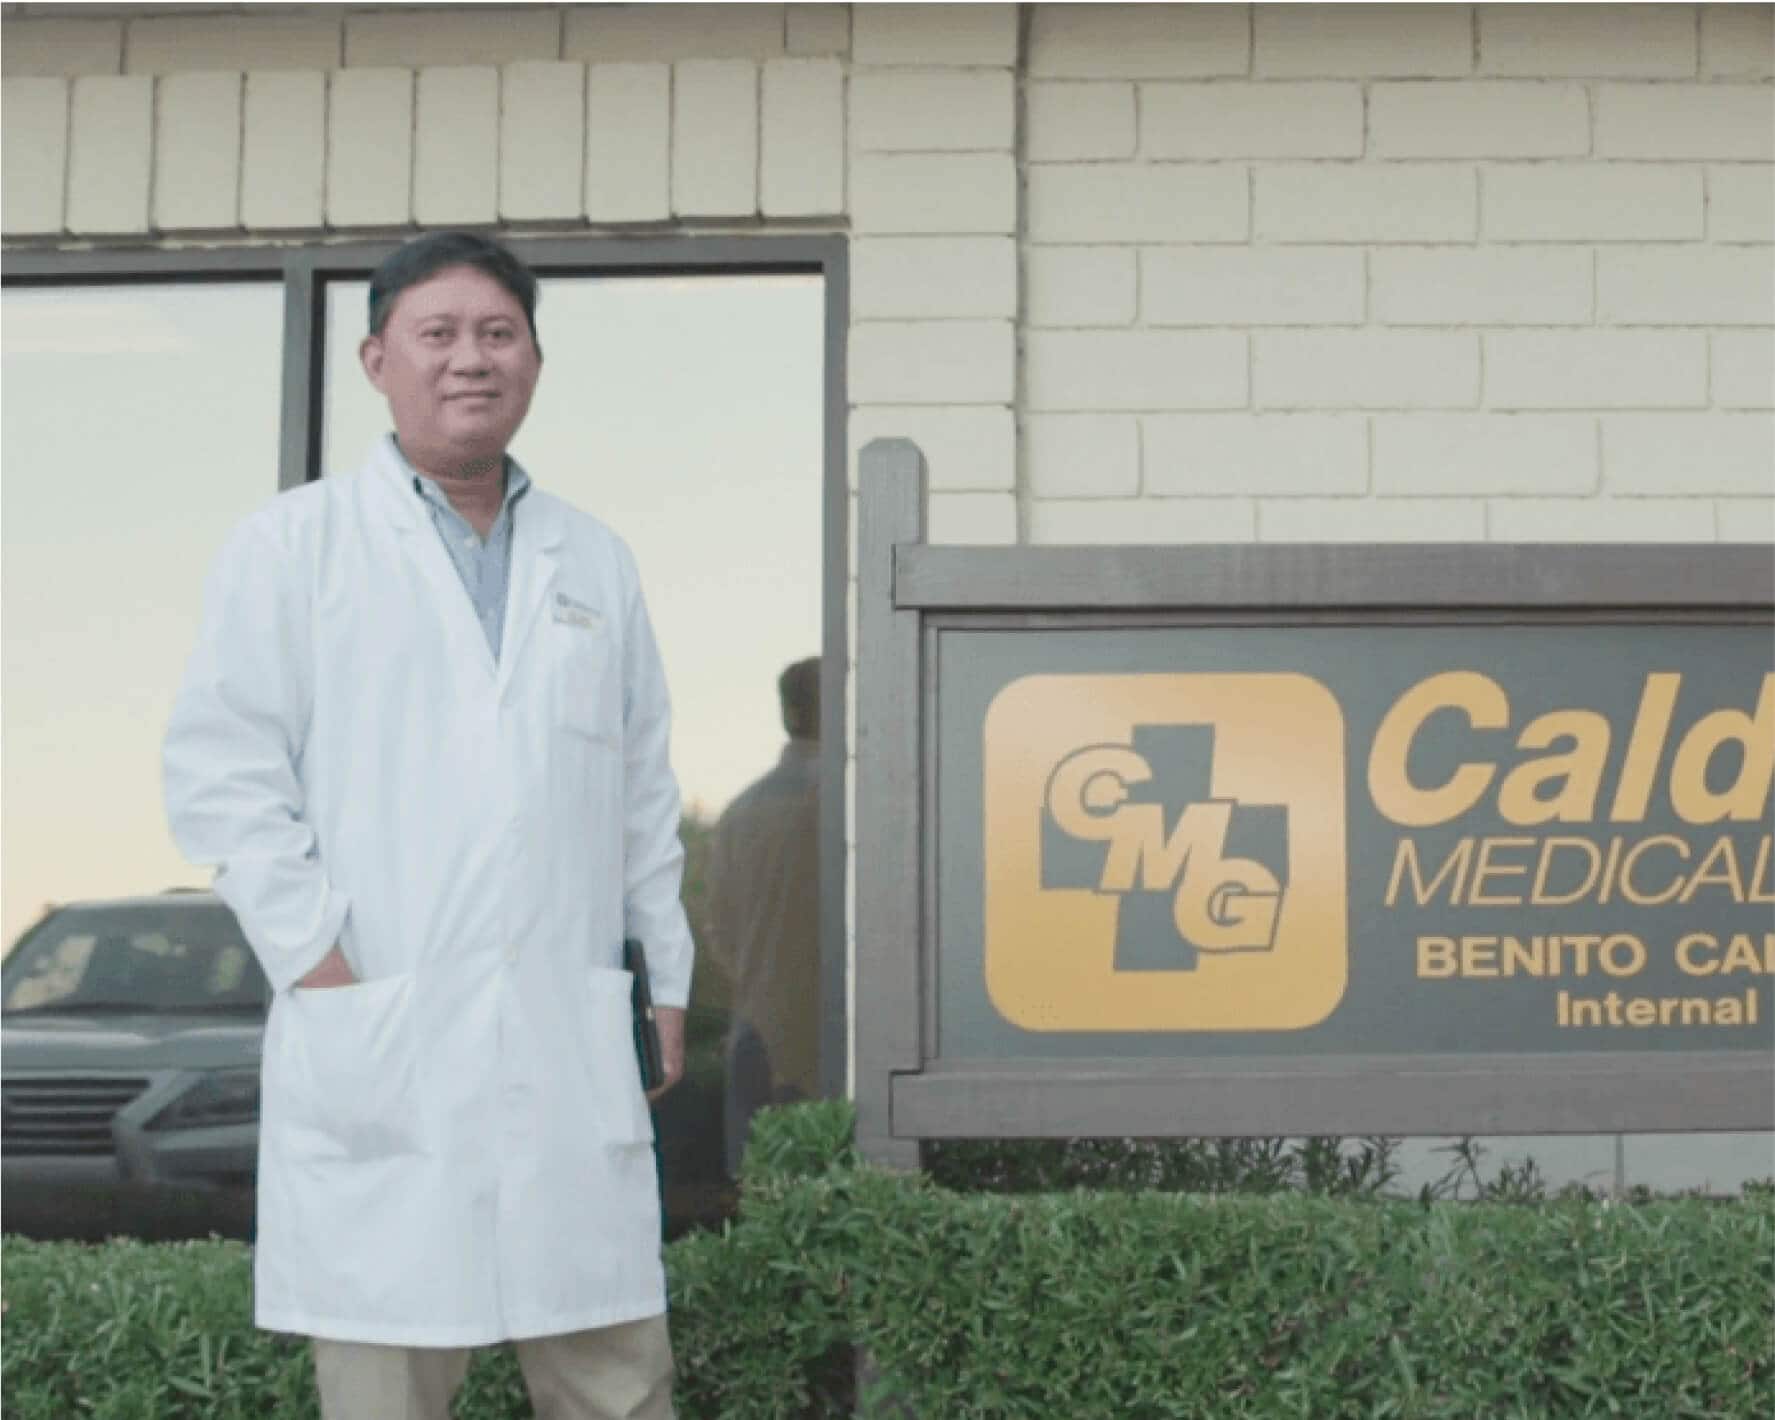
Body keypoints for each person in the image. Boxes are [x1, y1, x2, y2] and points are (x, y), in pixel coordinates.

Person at [163, 232, 692, 1420]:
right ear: (375, 359)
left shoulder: (592, 562)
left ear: (535, 362)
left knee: (617, 1381)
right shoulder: (295, 547)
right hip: (380, 1034)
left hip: (563, 1041)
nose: (471, 359)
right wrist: (325, 967)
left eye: (497, 334)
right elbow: (223, 776)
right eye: (438, 334)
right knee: (387, 1385)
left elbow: (642, 792)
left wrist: (661, 979)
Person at [705, 657, 821, 1176]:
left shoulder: (740, 813)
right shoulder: (854, 800)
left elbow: (718, 931)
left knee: (760, 1206)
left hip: (757, 1035)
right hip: (835, 1041)